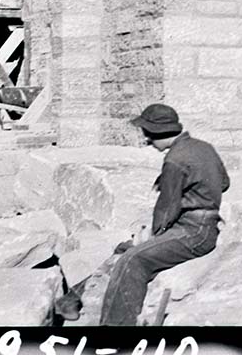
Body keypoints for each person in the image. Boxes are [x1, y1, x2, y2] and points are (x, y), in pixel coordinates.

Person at [98, 103, 229, 326]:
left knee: (132, 259)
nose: (147, 140)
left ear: (157, 133)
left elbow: (166, 208)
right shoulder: (204, 147)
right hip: (206, 227)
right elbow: (224, 183)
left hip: (192, 231)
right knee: (123, 249)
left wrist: (155, 237)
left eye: (147, 134)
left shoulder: (175, 159)